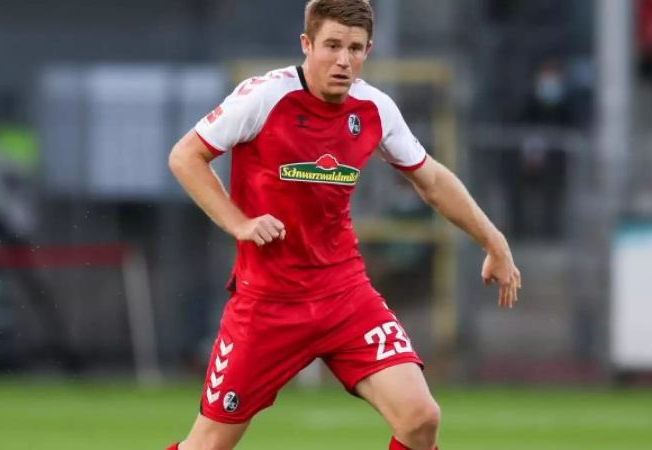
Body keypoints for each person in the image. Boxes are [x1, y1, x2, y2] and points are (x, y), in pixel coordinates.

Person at [166, 1, 521, 449]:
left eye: (354, 48)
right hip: (266, 305)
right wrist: (239, 222)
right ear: (306, 44)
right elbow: (185, 157)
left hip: (343, 295)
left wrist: (494, 241)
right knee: (209, 444)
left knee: (420, 419)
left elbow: (430, 180)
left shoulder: (374, 107)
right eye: (332, 45)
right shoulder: (263, 97)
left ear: (368, 50)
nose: (343, 60)